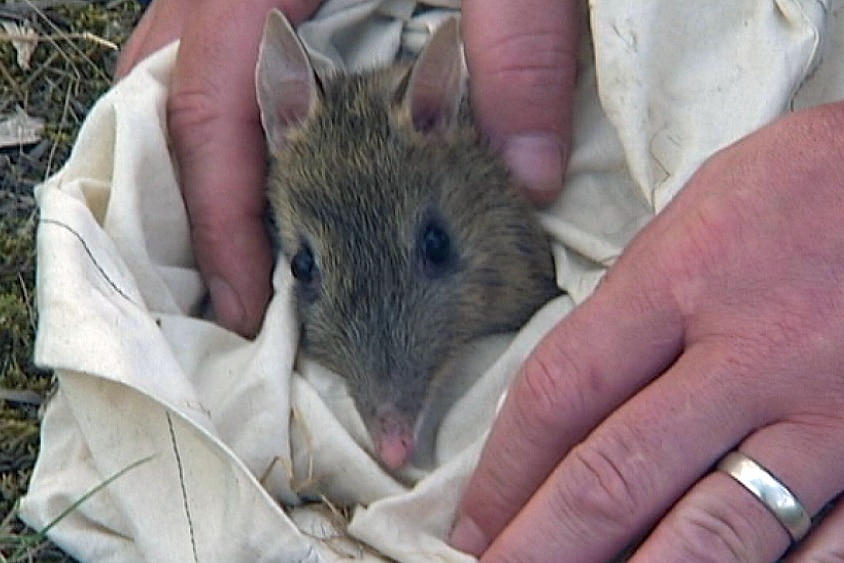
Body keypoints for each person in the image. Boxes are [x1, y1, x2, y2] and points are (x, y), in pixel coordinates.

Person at [117, 1, 844, 560]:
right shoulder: (310, 171)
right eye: (308, 271)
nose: (388, 437)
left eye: (432, 252)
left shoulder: (458, 173)